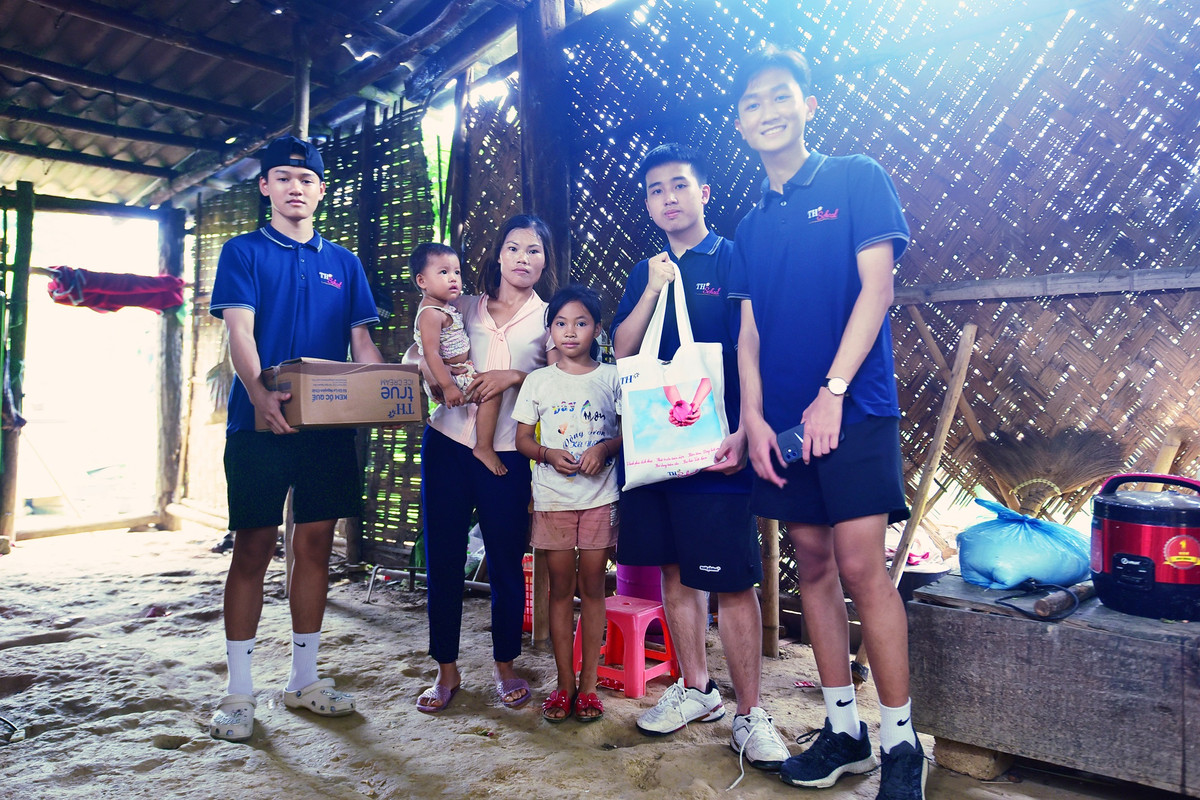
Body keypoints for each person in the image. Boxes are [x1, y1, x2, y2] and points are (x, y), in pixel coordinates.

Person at [728, 45, 924, 800]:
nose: (768, 111)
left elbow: (877, 290)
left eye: (781, 96)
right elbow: (748, 334)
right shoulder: (750, 226)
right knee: (809, 562)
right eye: (753, 103)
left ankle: (901, 742)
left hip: (855, 407)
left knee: (861, 566)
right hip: (783, 422)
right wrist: (752, 417)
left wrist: (833, 391)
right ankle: (845, 731)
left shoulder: (855, 178)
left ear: (808, 106)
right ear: (740, 123)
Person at [610, 143, 791, 782]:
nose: (668, 198)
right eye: (655, 189)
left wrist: (746, 427)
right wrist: (653, 288)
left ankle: (750, 712)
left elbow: (754, 344)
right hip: (656, 448)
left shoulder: (733, 258)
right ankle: (696, 688)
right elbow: (622, 348)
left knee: (734, 579)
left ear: (703, 193)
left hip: (718, 447)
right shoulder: (646, 269)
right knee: (674, 570)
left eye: (679, 185)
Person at [207, 135, 384, 742]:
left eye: (306, 179)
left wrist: (388, 391)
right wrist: (259, 392)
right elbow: (240, 331)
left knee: (314, 547)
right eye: (282, 177)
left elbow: (362, 345)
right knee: (253, 547)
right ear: (265, 187)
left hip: (325, 429)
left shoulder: (345, 263)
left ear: (321, 190)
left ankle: (303, 681)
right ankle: (238, 692)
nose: (295, 187)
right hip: (256, 424)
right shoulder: (243, 251)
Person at [414, 214, 558, 714]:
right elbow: (418, 350)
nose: (523, 258)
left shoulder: (549, 319)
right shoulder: (461, 304)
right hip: (448, 443)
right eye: (514, 247)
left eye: (534, 250)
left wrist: (513, 376)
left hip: (506, 453)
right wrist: (433, 377)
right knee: (443, 557)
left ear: (545, 260)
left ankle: (505, 665)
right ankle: (445, 669)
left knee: (505, 560)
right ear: (498, 254)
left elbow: (562, 379)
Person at [512, 285, 621, 723]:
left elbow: (628, 433)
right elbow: (522, 439)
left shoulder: (612, 377)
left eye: (581, 323)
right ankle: (564, 685)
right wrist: (546, 454)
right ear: (550, 329)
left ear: (597, 329)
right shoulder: (538, 381)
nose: (570, 331)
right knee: (559, 589)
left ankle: (589, 687)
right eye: (560, 323)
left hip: (600, 498)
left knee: (593, 587)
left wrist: (605, 448)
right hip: (553, 500)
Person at [410, 242, 506, 476]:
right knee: (491, 393)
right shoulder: (431, 314)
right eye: (443, 272)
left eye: (457, 272)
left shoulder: (445, 307)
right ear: (422, 281)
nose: (453, 278)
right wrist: (448, 386)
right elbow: (430, 353)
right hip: (450, 377)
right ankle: (483, 447)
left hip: (458, 370)